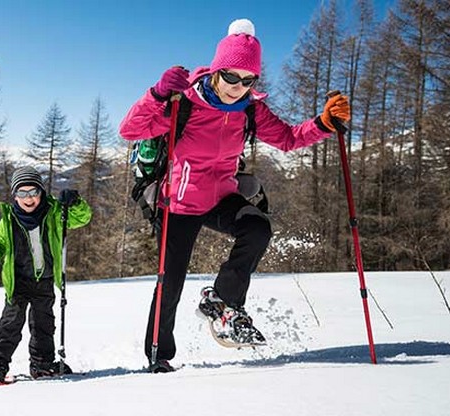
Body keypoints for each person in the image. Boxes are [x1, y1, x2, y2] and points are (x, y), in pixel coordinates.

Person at [119, 18, 350, 372]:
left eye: (248, 80)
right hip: (180, 203)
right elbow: (129, 129)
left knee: (257, 228)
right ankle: (158, 355)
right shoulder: (186, 104)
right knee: (172, 281)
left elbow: (288, 138)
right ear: (216, 71)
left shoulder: (250, 110)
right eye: (231, 77)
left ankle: (222, 301)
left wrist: (322, 124)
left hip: (221, 197)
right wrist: (158, 94)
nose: (237, 87)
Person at [0, 166, 92, 384]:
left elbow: (83, 218)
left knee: (43, 324)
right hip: (18, 281)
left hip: (45, 279)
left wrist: (75, 202)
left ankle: (42, 363)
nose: (29, 198)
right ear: (15, 195)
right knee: (10, 323)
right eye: (23, 193)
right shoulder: (9, 220)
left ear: (41, 192)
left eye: (33, 192)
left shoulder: (55, 213)